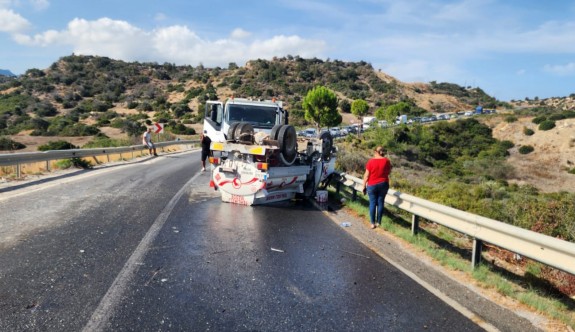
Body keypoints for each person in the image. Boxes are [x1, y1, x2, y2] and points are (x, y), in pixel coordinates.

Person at [362, 146, 392, 229]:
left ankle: (372, 223)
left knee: (372, 203)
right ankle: (379, 222)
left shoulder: (371, 161)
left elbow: (366, 175)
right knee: (380, 202)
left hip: (372, 184)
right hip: (383, 184)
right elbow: (388, 171)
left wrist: (364, 186)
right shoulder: (386, 161)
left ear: (375, 152)